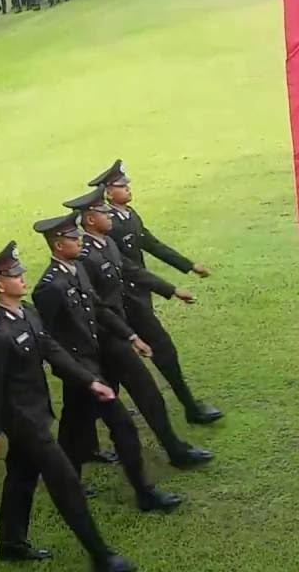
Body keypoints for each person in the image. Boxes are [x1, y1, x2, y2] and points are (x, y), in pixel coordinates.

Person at [0, 241, 136, 571]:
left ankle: (11, 543)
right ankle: (101, 556)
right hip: (24, 421)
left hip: (37, 411)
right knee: (66, 483)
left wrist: (89, 381)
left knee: (21, 475)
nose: (23, 278)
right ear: (0, 285)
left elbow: (52, 350)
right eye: (15, 275)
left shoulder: (27, 313)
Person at [30, 213, 184, 512]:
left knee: (74, 424)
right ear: (59, 245)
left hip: (93, 360)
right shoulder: (49, 288)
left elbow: (98, 309)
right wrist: (81, 375)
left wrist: (131, 336)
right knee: (122, 426)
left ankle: (66, 481)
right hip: (80, 368)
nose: (80, 241)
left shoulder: (76, 269)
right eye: (73, 238)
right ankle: (144, 493)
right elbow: (50, 339)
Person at [65, 187, 215, 468]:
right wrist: (130, 335)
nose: (109, 215)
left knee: (101, 397)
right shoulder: (85, 256)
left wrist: (171, 290)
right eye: (103, 212)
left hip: (121, 325)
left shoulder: (106, 244)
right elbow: (95, 306)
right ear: (90, 219)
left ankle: (79, 450)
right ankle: (174, 453)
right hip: (109, 336)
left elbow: (132, 270)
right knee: (140, 395)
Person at [90, 160, 223, 424]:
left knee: (121, 360)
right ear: (109, 193)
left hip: (138, 294)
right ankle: (190, 408)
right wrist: (171, 289)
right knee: (160, 349)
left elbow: (151, 244)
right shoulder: (109, 225)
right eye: (122, 186)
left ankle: (110, 410)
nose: (128, 189)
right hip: (127, 298)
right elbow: (128, 269)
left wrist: (188, 265)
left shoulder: (129, 215)